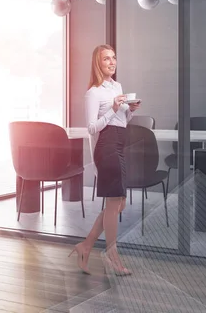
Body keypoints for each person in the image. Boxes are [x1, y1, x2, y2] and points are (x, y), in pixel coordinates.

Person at [68, 44, 140, 276]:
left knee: (119, 203)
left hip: (119, 144)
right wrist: (112, 109)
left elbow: (123, 121)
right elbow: (91, 128)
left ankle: (86, 246)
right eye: (106, 59)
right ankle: (111, 254)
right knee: (113, 203)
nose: (112, 62)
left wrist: (130, 110)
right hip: (106, 147)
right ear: (98, 64)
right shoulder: (94, 92)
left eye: (113, 58)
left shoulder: (117, 87)